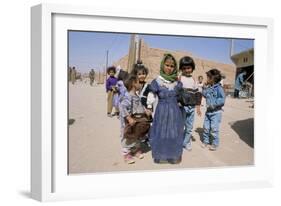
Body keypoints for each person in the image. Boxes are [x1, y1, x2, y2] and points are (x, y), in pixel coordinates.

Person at [147, 53, 184, 164]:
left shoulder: (177, 83)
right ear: (163, 65)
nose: (169, 68)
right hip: (162, 112)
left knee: (173, 133)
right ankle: (161, 154)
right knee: (161, 133)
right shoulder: (157, 81)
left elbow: (180, 97)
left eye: (172, 66)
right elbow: (151, 95)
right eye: (167, 65)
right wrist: (149, 107)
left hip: (174, 113)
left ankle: (173, 154)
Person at [119, 75, 151, 164]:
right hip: (130, 122)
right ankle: (126, 154)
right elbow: (123, 107)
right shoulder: (128, 96)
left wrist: (145, 110)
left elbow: (139, 105)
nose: (140, 84)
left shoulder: (136, 94)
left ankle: (135, 150)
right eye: (138, 82)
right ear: (133, 83)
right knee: (128, 137)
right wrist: (128, 118)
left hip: (137, 121)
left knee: (137, 135)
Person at [178, 56, 202, 151]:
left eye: (188, 68)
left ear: (192, 68)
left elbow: (198, 94)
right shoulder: (179, 79)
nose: (186, 70)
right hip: (182, 107)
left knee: (189, 127)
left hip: (191, 108)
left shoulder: (194, 80)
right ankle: (179, 141)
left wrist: (198, 107)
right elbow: (176, 92)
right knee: (180, 126)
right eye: (184, 68)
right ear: (181, 69)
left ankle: (186, 142)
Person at [201, 69, 225, 151]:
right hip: (208, 112)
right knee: (206, 127)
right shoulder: (209, 87)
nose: (206, 79)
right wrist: (204, 88)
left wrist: (214, 104)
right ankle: (206, 141)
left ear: (213, 78)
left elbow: (222, 99)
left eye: (208, 77)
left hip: (216, 113)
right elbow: (204, 94)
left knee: (214, 129)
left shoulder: (219, 88)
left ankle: (215, 143)